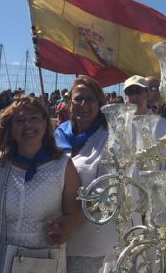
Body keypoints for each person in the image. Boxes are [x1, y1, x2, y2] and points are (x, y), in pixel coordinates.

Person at [0, 96, 82, 273]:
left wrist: (67, 225)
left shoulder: (63, 166)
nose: (27, 125)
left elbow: (75, 212)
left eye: (34, 118)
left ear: (45, 123)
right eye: (19, 120)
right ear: (11, 128)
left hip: (42, 263)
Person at [55, 76, 118, 272]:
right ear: (69, 103)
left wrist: (73, 220)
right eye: (78, 99)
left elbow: (105, 192)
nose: (83, 104)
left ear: (100, 103)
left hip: (88, 242)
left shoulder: (109, 138)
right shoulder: (57, 135)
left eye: (90, 99)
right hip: (53, 236)